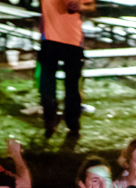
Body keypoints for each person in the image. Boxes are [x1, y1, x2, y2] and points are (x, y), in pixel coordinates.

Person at [39, 0, 95, 138]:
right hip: (53, 40)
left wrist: (80, 6)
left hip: (70, 40)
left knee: (69, 86)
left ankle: (68, 124)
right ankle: (54, 122)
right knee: (51, 85)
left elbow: (91, 6)